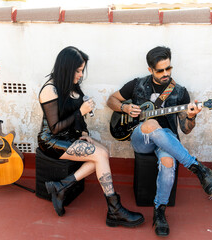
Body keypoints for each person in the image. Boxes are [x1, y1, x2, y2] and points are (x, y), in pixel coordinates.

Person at [106, 46, 212, 236]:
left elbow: (186, 129)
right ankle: (196, 167)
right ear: (150, 70)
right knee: (150, 124)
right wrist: (125, 109)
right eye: (160, 70)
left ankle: (159, 211)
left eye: (169, 68)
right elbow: (111, 100)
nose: (166, 73)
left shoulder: (180, 92)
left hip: (167, 140)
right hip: (140, 137)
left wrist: (192, 117)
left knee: (168, 161)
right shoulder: (137, 84)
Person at [37, 46, 144, 228]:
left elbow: (77, 119)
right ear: (67, 68)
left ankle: (62, 185)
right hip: (51, 141)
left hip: (70, 136)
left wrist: (85, 133)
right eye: (78, 71)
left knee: (104, 151)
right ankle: (114, 208)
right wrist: (80, 111)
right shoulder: (50, 90)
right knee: (99, 155)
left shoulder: (71, 85)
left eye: (82, 70)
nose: (80, 75)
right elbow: (54, 128)